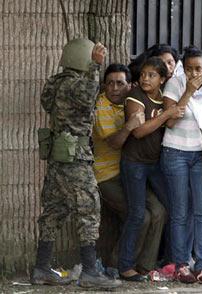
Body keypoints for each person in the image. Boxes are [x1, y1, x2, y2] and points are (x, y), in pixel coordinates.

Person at [31, 39, 121, 289]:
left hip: (58, 156)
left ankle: (41, 268)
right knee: (89, 210)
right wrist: (96, 66)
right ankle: (90, 272)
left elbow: (48, 103)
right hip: (76, 158)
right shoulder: (75, 85)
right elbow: (87, 96)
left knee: (53, 210)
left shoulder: (56, 83)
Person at [92, 63, 167, 276]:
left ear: (130, 85)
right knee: (140, 216)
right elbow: (115, 144)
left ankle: (145, 266)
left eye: (120, 83)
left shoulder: (133, 102)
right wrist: (129, 126)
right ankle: (118, 266)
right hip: (107, 175)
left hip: (132, 171)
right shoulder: (102, 107)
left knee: (160, 212)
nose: (115, 88)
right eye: (110, 84)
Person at [161, 46, 202, 284]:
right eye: (189, 68)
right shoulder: (175, 84)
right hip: (175, 152)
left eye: (198, 68)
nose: (194, 73)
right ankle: (181, 265)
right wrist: (188, 91)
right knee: (180, 212)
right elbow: (169, 122)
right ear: (183, 68)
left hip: (201, 154)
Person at [117, 57, 184, 281]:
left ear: (162, 79)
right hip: (134, 162)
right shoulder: (135, 97)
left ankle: (169, 261)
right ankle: (125, 266)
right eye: (143, 74)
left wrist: (168, 112)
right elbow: (139, 131)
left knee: (171, 209)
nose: (145, 78)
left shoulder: (165, 98)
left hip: (156, 163)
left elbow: (176, 114)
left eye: (151, 75)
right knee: (137, 214)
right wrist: (166, 115)